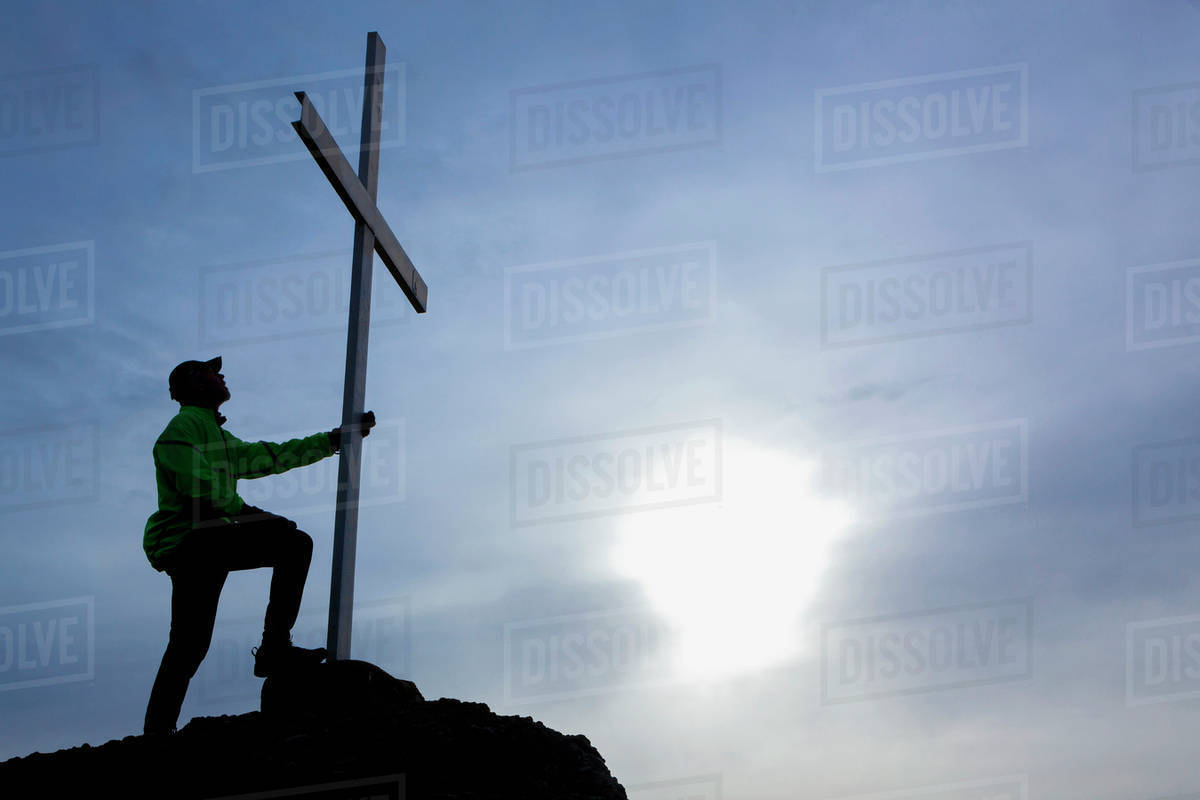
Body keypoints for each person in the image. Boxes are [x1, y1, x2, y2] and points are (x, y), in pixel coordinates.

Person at [142, 356, 376, 736]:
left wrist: (331, 441)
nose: (222, 376)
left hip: (210, 538)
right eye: (212, 373)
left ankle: (159, 732)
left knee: (189, 644)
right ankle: (272, 650)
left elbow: (266, 456)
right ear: (196, 384)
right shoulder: (180, 430)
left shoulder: (217, 436)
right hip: (192, 541)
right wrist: (251, 516)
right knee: (291, 543)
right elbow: (199, 493)